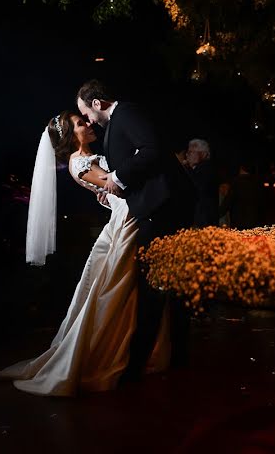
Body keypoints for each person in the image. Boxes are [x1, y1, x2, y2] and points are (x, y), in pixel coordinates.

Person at [0, 112, 170, 396]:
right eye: (80, 123)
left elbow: (113, 189)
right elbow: (119, 187)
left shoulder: (91, 157)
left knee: (128, 289)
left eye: (84, 120)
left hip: (129, 215)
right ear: (70, 136)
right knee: (121, 289)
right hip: (129, 220)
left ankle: (139, 349)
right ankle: (113, 352)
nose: (87, 124)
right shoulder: (79, 163)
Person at [76, 79, 192, 379]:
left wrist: (118, 176)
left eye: (87, 113)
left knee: (154, 287)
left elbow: (151, 150)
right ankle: (167, 357)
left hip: (163, 208)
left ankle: (138, 364)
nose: (89, 120)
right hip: (154, 208)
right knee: (161, 285)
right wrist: (116, 187)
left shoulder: (126, 113)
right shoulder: (119, 120)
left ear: (98, 104)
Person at [181, 138, 219, 228]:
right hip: (201, 218)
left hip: (204, 219)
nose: (187, 155)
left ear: (203, 154)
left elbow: (196, 188)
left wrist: (186, 168)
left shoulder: (206, 168)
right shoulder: (199, 168)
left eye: (191, 152)